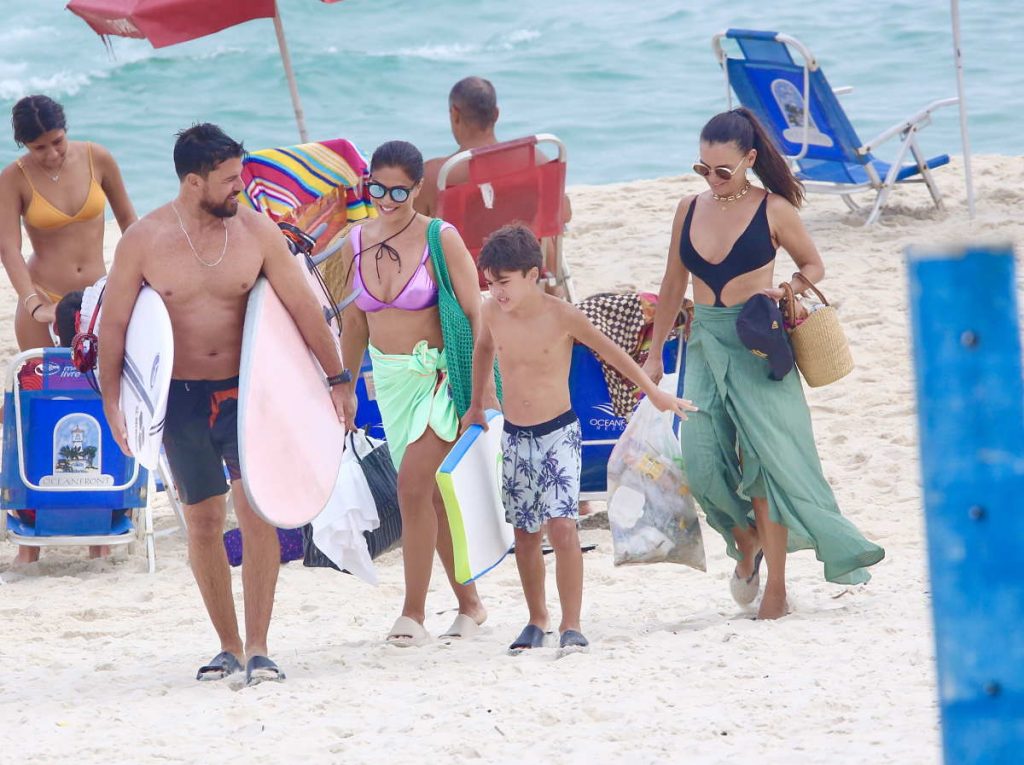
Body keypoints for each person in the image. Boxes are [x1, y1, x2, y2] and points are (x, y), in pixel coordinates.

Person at [98, 123, 348, 684]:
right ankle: (228, 645)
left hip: (246, 389)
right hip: (180, 399)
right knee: (205, 520)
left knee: (257, 507)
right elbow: (115, 327)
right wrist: (115, 404)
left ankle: (260, 645)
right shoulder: (144, 240)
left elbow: (305, 307)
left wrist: (338, 377)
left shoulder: (256, 233)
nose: (241, 187)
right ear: (193, 181)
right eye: (230, 180)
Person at [642, 107, 885, 620]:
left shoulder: (774, 209)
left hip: (757, 345)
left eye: (722, 170)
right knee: (702, 459)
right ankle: (745, 541)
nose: (711, 179)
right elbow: (671, 284)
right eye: (702, 168)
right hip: (706, 344)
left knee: (766, 468)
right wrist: (654, 352)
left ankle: (776, 588)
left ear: (749, 159)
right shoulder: (688, 208)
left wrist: (789, 287)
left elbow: (814, 265)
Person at [464, 224, 697, 655]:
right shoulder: (491, 312)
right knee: (525, 531)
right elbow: (482, 349)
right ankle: (537, 619)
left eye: (504, 282)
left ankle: (572, 623)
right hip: (515, 436)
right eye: (490, 283)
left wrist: (655, 392)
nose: (496, 292)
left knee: (563, 527)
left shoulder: (561, 315)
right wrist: (480, 402)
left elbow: (611, 352)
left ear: (533, 275)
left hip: (558, 434)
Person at [334, 140, 492, 647]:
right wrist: (344, 383)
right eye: (376, 188)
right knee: (432, 502)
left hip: (440, 380)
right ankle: (471, 604)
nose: (385, 198)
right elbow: (355, 321)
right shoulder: (353, 242)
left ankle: (413, 614)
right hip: (390, 384)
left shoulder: (439, 238)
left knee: (411, 487)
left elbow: (477, 314)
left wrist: (481, 394)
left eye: (398, 190)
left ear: (418, 188)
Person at [0, 95, 136, 351]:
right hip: (44, 296)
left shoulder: (97, 157)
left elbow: (128, 220)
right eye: (39, 148)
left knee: (100, 386)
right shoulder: (12, 179)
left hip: (96, 296)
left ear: (65, 129)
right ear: (23, 144)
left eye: (57, 142)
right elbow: (8, 249)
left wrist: (137, 273)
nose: (51, 154)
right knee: (44, 388)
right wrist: (34, 304)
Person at [415, 76, 571, 293]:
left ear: (454, 114)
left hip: (466, 280)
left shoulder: (436, 175)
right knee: (545, 235)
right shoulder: (535, 161)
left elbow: (410, 230)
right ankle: (553, 301)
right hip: (526, 271)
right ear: (496, 114)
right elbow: (563, 215)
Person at [5, 290, 119, 564]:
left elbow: (10, 423)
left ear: (57, 328)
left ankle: (29, 552)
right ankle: (100, 550)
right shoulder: (112, 375)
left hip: (35, 505)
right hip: (111, 501)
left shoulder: (31, 372)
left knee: (30, 450)